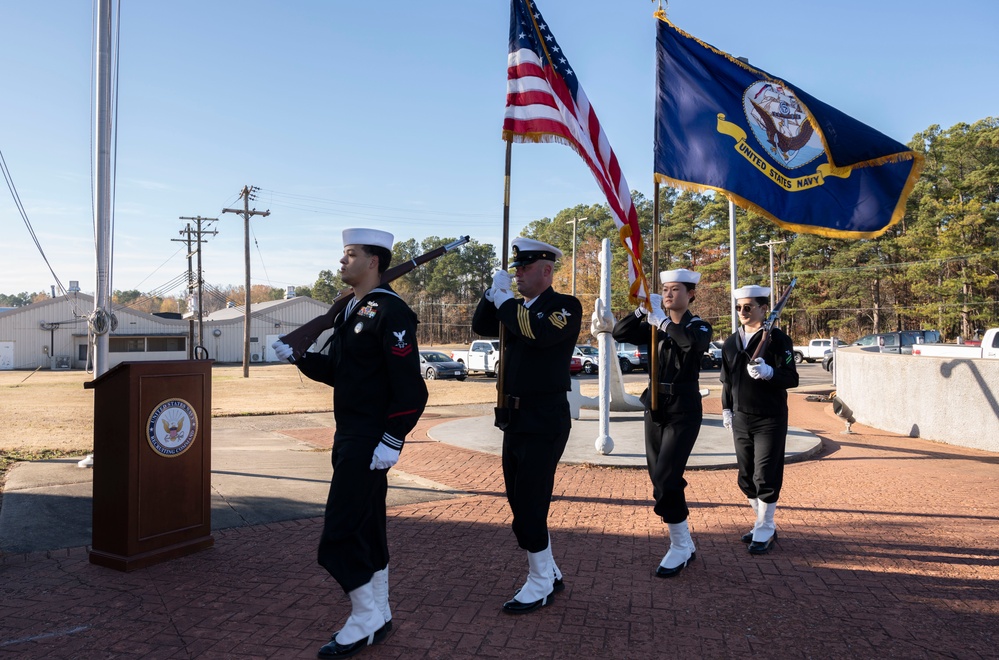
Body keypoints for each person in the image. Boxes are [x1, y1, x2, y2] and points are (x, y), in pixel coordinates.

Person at [272, 228, 428, 658]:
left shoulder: (391, 312)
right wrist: (301, 358)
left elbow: (412, 390)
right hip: (349, 435)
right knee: (366, 526)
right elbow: (344, 371)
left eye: (350, 254)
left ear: (374, 261)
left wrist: (393, 438)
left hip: (370, 439)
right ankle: (378, 611)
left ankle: (362, 618)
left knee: (338, 534)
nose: (342, 262)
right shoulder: (351, 309)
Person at [471, 236, 582, 614]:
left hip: (545, 418)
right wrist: (491, 295)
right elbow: (482, 325)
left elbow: (537, 333)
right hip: (514, 418)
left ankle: (539, 582)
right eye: (515, 268)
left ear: (547, 271)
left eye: (525, 267)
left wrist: (506, 303)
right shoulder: (512, 308)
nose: (517, 273)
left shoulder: (564, 306)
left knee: (531, 506)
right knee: (519, 503)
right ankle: (548, 569)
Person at [612, 269, 712, 578]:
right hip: (654, 406)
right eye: (665, 290)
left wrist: (663, 322)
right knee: (659, 478)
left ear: (691, 294)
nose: (668, 294)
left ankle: (680, 546)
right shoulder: (655, 326)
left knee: (668, 476)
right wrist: (642, 311)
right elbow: (619, 333)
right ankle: (684, 541)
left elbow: (690, 344)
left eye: (676, 289)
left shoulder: (698, 326)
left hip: (683, 408)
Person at [719, 285, 798, 555]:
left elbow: (791, 378)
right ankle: (761, 521)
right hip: (741, 417)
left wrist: (768, 372)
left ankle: (765, 528)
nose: (742, 312)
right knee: (745, 478)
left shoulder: (777, 339)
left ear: (764, 309)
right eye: (739, 307)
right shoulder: (731, 342)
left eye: (748, 307)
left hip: (770, 418)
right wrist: (727, 409)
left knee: (765, 475)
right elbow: (726, 381)